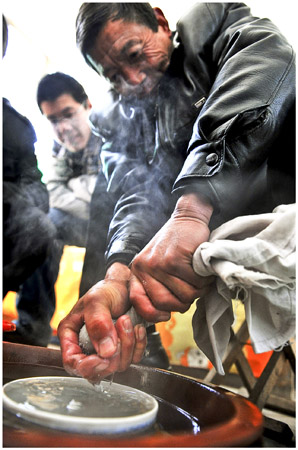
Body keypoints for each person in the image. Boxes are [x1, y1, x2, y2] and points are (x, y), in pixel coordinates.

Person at [57, 3, 295, 383]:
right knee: (108, 194)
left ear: (162, 23)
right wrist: (118, 275)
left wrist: (191, 211)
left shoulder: (214, 28)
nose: (134, 79)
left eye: (135, 55)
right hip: (202, 228)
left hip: (275, 187)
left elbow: (267, 58)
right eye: (115, 76)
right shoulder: (118, 117)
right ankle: (132, 333)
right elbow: (136, 192)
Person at [5, 72, 109, 346]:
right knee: (43, 226)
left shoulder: (110, 133)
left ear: (87, 105)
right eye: (53, 120)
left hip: (115, 227)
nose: (63, 128)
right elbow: (53, 193)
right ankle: (32, 330)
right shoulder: (57, 147)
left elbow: (110, 199)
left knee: (104, 224)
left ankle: (91, 334)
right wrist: (86, 190)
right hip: (79, 221)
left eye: (68, 114)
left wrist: (79, 190)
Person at [3, 15, 55, 300]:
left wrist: (10, 197)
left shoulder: (15, 126)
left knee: (41, 227)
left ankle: (31, 331)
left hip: (7, 223)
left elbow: (37, 187)